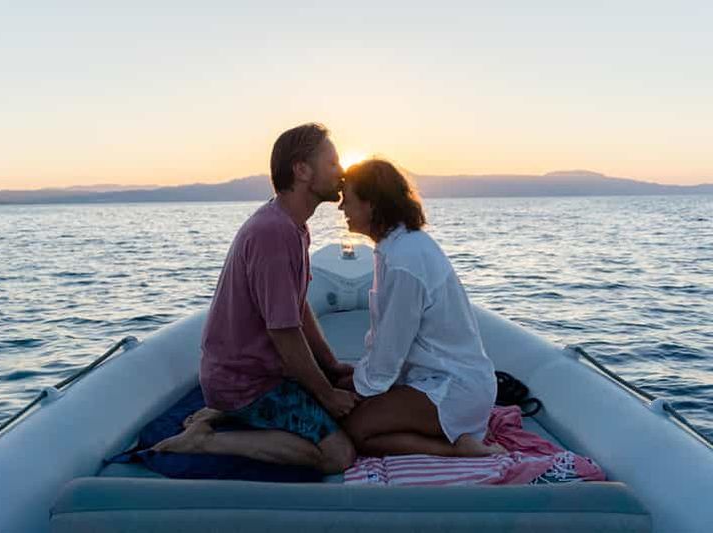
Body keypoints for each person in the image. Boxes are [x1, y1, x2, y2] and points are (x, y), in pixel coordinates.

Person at [152, 123, 358, 473]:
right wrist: (326, 394)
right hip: (247, 384)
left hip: (258, 372)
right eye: (333, 163)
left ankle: (222, 413)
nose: (341, 172)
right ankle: (206, 440)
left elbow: (298, 307)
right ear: (302, 170)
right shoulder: (273, 233)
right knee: (339, 455)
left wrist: (332, 367)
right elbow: (284, 331)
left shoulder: (294, 227)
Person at [338, 159, 504, 457]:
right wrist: (351, 381)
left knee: (355, 429)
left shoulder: (406, 259)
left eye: (346, 200)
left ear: (371, 204)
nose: (341, 209)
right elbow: (384, 348)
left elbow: (389, 353)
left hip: (454, 388)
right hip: (430, 376)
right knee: (344, 389)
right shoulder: (395, 248)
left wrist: (355, 391)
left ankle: (457, 449)